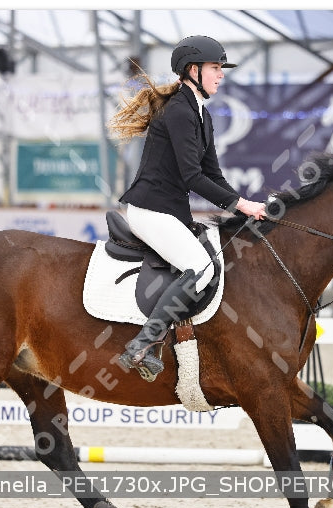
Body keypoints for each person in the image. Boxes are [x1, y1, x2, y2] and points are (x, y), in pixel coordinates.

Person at [108, 35, 267, 379]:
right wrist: (240, 203)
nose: (221, 74)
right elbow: (193, 177)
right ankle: (142, 344)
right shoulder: (179, 111)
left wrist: (247, 209)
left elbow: (213, 175)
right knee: (201, 267)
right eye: (215, 68)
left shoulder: (202, 116)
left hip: (169, 212)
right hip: (149, 210)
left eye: (221, 68)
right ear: (192, 70)